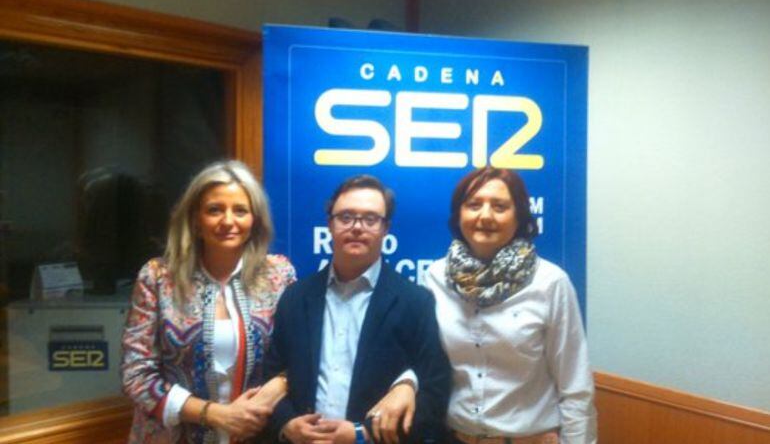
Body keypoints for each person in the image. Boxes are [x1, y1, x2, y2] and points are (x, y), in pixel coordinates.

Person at [368, 166, 597, 444]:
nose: (485, 215)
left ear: (519, 216)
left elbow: (576, 389)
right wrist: (406, 383)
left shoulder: (550, 283)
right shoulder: (436, 277)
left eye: (500, 206)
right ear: (459, 214)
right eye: (474, 205)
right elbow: (425, 358)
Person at [263, 174, 451, 444]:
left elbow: (434, 393)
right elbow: (272, 374)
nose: (357, 227)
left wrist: (362, 435)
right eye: (346, 217)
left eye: (370, 219)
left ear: (385, 228)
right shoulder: (295, 297)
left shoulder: (416, 302)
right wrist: (287, 425)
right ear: (330, 223)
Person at [121, 160, 296, 443]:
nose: (228, 221)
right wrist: (216, 415)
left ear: (255, 220)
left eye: (240, 210)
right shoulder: (157, 277)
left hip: (255, 434)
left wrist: (269, 395)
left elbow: (299, 356)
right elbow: (136, 374)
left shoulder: (279, 274)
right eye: (215, 210)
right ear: (195, 220)